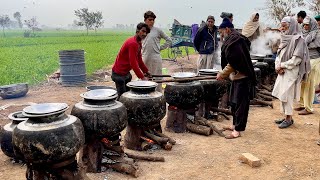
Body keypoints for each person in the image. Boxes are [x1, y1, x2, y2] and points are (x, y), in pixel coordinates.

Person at [216, 18, 256, 139]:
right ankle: (234, 125)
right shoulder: (234, 38)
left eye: (222, 31)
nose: (221, 34)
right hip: (236, 77)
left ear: (227, 29)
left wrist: (222, 74)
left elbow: (234, 63)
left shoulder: (236, 40)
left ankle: (237, 130)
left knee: (240, 105)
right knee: (234, 103)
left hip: (243, 77)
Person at [272, 17, 310, 128]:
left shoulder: (299, 39)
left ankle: (288, 119)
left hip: (291, 71)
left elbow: (296, 60)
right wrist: (277, 66)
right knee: (282, 94)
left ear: (292, 25)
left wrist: (282, 66)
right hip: (282, 70)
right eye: (281, 25)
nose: (282, 28)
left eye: (285, 26)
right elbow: (278, 55)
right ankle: (286, 117)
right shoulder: (284, 38)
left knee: (287, 94)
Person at [112, 23, 151, 98]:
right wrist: (142, 77)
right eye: (143, 31)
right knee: (122, 97)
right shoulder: (132, 43)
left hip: (126, 73)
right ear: (137, 31)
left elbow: (139, 60)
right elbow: (133, 63)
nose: (144, 34)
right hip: (118, 74)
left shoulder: (138, 43)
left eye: (146, 32)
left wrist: (146, 71)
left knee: (128, 95)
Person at [295, 17, 320, 115]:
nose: (305, 26)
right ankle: (302, 104)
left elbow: (314, 46)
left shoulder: (318, 34)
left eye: (307, 25)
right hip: (305, 60)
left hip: (314, 61)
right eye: (304, 24)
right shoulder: (304, 34)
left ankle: (309, 108)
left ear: (312, 25)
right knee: (303, 82)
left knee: (309, 84)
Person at [142, 11, 172, 92]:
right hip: (144, 58)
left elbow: (169, 40)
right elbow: (137, 43)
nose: (152, 21)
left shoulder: (158, 31)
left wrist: (160, 48)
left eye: (153, 20)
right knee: (144, 79)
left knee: (157, 78)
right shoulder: (141, 30)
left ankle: (158, 97)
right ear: (145, 20)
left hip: (156, 58)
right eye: (150, 20)